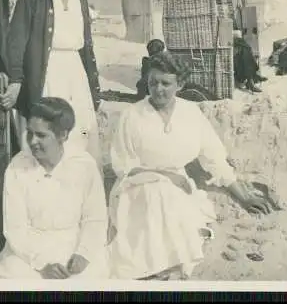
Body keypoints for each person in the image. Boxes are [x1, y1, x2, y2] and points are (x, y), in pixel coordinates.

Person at [108, 51, 275, 280]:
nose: (158, 89)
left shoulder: (190, 113)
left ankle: (168, 266)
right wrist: (162, 176)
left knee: (170, 201)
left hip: (178, 186)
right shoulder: (132, 115)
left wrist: (243, 195)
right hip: (136, 186)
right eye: (152, 82)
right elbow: (123, 166)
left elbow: (214, 158)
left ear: (180, 84)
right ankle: (164, 267)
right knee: (157, 194)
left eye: (166, 83)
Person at [0, 0, 102, 166]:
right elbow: (16, 39)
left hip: (76, 74)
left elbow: (86, 46)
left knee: (77, 135)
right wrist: (16, 80)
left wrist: (96, 92)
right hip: (45, 73)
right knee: (45, 134)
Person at [0, 97, 110, 279]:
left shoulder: (84, 164)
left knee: (92, 275)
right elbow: (15, 228)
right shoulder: (17, 166)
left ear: (63, 135)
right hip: (29, 249)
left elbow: (95, 218)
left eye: (41, 135)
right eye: (29, 133)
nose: (32, 141)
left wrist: (84, 253)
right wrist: (41, 264)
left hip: (73, 243)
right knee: (19, 276)